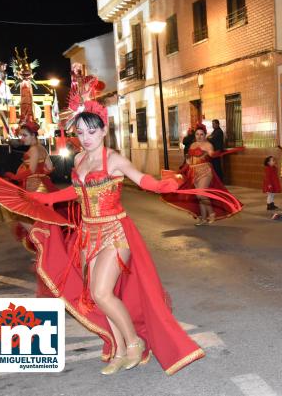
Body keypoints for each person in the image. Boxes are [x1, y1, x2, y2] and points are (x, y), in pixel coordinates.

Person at [27, 100, 205, 375]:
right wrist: (45, 198)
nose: (85, 138)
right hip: (87, 233)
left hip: (115, 231)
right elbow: (77, 192)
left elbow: (142, 178)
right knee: (97, 296)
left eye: (91, 132)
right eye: (81, 132)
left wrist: (162, 185)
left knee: (101, 292)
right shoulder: (79, 159)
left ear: (103, 131)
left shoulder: (115, 159)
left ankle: (134, 343)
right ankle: (119, 349)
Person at [162, 123, 243, 225]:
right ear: (195, 135)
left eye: (201, 134)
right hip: (193, 172)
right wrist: (182, 170)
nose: (199, 136)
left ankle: (211, 213)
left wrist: (222, 151)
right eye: (197, 134)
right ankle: (203, 218)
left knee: (201, 194)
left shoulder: (208, 145)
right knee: (199, 196)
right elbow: (189, 161)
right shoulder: (192, 145)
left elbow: (212, 155)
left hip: (205, 171)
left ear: (205, 135)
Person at [3, 120, 57, 252]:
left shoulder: (33, 150)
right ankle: (46, 247)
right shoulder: (42, 148)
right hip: (44, 186)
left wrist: (14, 176)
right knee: (39, 219)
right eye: (21, 135)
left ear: (33, 135)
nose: (21, 138)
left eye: (24, 135)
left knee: (20, 215)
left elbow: (31, 170)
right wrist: (41, 172)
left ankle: (43, 247)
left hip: (34, 188)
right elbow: (50, 167)